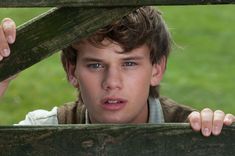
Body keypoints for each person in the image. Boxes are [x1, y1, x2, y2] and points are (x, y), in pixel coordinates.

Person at [0, 7, 234, 137]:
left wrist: (218, 139)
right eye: (95, 65)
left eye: (129, 63)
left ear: (156, 69)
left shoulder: (189, 129)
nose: (112, 82)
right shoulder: (44, 129)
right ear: (72, 71)